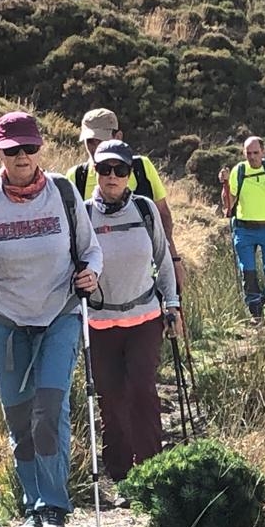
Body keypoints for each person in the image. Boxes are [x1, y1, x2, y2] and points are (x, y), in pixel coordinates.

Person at [0, 111, 102, 527]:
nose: (22, 156)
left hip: (60, 315)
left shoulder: (64, 193)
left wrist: (89, 274)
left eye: (29, 148)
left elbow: (90, 251)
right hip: (4, 321)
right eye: (12, 149)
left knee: (48, 412)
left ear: (40, 149)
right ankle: (32, 508)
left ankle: (55, 507)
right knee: (19, 418)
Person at [83, 140, 179, 481]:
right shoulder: (82, 214)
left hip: (145, 319)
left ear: (130, 175)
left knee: (143, 392)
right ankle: (121, 474)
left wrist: (173, 304)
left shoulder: (144, 209)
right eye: (104, 169)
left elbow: (162, 259)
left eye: (120, 170)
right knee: (111, 400)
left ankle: (152, 472)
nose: (112, 176)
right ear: (95, 173)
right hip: (100, 322)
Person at [66, 108, 185, 290]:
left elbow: (163, 217)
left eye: (100, 140)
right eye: (89, 141)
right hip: (97, 286)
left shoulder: (141, 167)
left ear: (118, 136)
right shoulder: (75, 177)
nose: (94, 147)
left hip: (144, 276)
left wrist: (173, 259)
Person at [220, 136, 265, 324]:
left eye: (256, 153)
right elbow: (229, 203)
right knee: (247, 270)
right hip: (243, 228)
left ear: (263, 152)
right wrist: (224, 186)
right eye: (248, 153)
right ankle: (256, 311)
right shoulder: (238, 171)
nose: (252, 157)